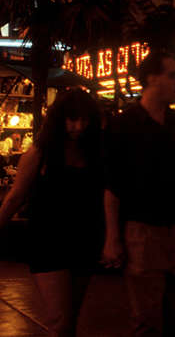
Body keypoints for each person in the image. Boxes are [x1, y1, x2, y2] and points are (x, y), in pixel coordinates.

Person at [102, 50, 175, 336]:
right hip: (141, 231)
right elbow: (112, 187)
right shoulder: (124, 125)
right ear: (151, 78)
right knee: (146, 317)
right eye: (173, 75)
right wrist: (112, 237)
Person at [0, 89, 104, 337]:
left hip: (85, 239)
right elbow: (16, 196)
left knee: (70, 319)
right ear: (60, 119)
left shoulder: (95, 152)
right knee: (60, 320)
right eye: (72, 119)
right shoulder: (41, 152)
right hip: (48, 240)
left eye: (84, 120)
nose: (78, 126)